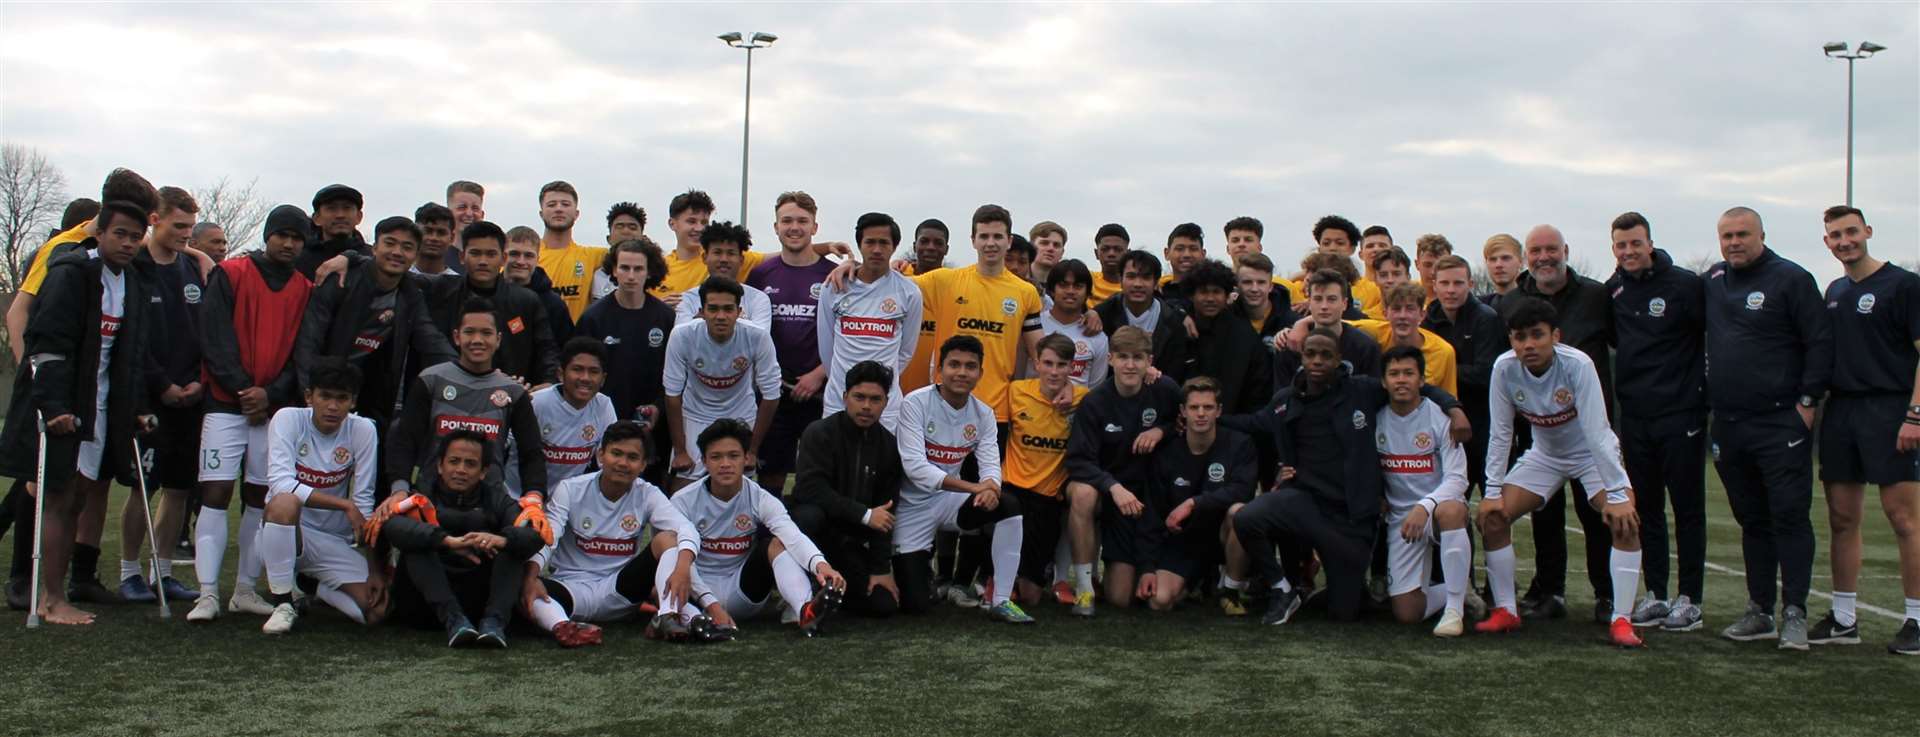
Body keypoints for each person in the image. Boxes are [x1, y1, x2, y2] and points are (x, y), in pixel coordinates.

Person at [1228, 328, 1468, 625]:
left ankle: (1446, 592)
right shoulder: (1285, 400)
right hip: (1306, 504)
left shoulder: (1362, 390)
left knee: (1345, 613)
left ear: (1339, 359)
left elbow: (1413, 386)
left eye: (1326, 355)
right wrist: (1206, 419)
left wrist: (1454, 408)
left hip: (1351, 521)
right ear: (1301, 357)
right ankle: (1283, 588)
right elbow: (1252, 423)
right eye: (1310, 354)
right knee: (1247, 517)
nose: (1317, 361)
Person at [0, 192, 157, 626]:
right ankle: (49, 599)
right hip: (66, 404)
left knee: (80, 498)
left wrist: (137, 406)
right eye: (119, 234)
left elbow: (132, 353)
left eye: (135, 236)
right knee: (58, 497)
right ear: (100, 233)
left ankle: (60, 589)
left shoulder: (132, 282)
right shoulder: (72, 274)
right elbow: (46, 344)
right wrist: (52, 406)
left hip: (104, 406)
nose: (127, 243)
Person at [1473, 298, 1645, 648]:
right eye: (1520, 337)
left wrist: (1615, 493)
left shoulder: (1578, 364)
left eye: (1537, 335)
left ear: (1556, 336)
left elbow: (1598, 431)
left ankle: (1622, 620)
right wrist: (1491, 491)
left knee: (1625, 520)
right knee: (1493, 517)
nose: (1528, 345)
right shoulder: (1504, 368)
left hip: (1591, 455)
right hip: (1545, 455)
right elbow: (1501, 433)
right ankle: (1506, 610)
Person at [1704, 206, 1832, 650]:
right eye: (1727, 236)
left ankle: (1794, 611)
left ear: (1761, 234)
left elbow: (1819, 341)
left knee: (1790, 515)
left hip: (1781, 421)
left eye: (1742, 234)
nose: (1734, 242)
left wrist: (1808, 400)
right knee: (1752, 520)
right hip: (1729, 424)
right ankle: (1759, 610)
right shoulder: (1714, 281)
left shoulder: (1791, 279)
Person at [188, 204, 314, 623]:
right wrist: (245, 388)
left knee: (260, 497)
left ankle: (244, 589)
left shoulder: (304, 288)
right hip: (226, 404)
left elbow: (302, 352)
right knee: (216, 492)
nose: (289, 244)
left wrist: (271, 393)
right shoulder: (232, 274)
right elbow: (213, 336)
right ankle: (207, 593)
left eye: (297, 238)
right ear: (268, 235)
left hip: (273, 410)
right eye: (282, 235)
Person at [1811, 205, 1920, 654]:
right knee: (1841, 518)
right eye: (1835, 235)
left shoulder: (1904, 285)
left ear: (1868, 232)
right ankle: (1843, 616)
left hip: (1891, 409)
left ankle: (1916, 619)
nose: (1844, 241)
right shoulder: (1834, 290)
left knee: (1904, 519)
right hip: (1842, 412)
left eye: (1851, 232)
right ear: (1827, 243)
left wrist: (1915, 415)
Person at [1603, 212, 1708, 633]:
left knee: (1687, 508)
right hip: (1637, 416)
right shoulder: (1614, 290)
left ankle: (1691, 599)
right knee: (1646, 508)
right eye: (1620, 245)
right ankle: (1658, 593)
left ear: (1649, 243)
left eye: (1635, 243)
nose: (1628, 251)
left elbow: (1707, 337)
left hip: (1682, 414)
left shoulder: (1685, 285)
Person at [1512, 223, 1617, 624]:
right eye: (1535, 251)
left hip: (1590, 430)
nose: (1544, 257)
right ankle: (1550, 591)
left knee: (1596, 517)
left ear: (1566, 251)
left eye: (1551, 249)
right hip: (1541, 429)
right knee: (1546, 515)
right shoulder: (1516, 300)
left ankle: (1606, 596)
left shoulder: (1596, 295)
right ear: (1526, 257)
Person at [891, 336, 1033, 623]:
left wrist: (991, 487)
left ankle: (1001, 600)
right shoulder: (914, 403)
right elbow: (916, 468)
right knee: (915, 604)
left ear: (980, 373)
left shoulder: (983, 413)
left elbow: (991, 465)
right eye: (954, 364)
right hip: (912, 507)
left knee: (1008, 506)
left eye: (970, 366)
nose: (962, 372)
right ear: (939, 369)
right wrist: (974, 487)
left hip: (949, 503)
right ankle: (923, 573)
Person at [520, 421, 702, 646]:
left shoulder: (648, 493)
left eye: (633, 457)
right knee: (522, 583)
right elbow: (549, 538)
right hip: (571, 588)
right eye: (616, 453)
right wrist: (530, 578)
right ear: (600, 455)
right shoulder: (570, 489)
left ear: (643, 465)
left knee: (668, 539)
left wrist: (683, 567)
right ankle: (563, 627)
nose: (623, 463)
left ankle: (666, 616)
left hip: (621, 594)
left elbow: (686, 528)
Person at [292, 216, 454, 459]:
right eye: (390, 243)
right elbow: (309, 339)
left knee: (377, 466)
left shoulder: (411, 292)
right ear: (375, 247)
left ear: (415, 255)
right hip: (326, 386)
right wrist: (309, 392)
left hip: (372, 391)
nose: (397, 252)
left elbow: (430, 338)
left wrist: (467, 372)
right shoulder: (342, 278)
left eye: (407, 247)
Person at [671, 419, 847, 638]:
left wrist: (822, 565)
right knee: (671, 549)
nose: (725, 463)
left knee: (778, 542)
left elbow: (792, 535)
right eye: (716, 457)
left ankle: (806, 610)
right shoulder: (682, 501)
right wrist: (711, 604)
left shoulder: (760, 497)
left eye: (733, 456)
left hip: (744, 593)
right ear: (704, 461)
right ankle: (688, 619)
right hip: (696, 595)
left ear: (747, 458)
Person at [117, 186, 205, 604]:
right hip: (150, 398)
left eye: (191, 226)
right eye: (179, 225)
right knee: (142, 485)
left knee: (179, 489)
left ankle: (163, 571)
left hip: (191, 396)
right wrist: (162, 385)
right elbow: (133, 340)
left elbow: (203, 333)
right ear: (155, 220)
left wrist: (198, 382)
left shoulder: (194, 269)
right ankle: (129, 572)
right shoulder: (133, 269)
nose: (187, 234)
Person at [376, 430, 542, 648]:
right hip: (425, 606)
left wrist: (499, 540)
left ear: (483, 472)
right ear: (439, 465)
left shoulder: (497, 499)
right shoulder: (419, 494)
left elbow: (536, 534)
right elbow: (391, 525)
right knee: (416, 544)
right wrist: (447, 542)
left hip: (477, 602)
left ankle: (495, 622)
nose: (461, 470)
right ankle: (453, 619)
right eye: (454, 461)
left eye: (470, 464)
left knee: (512, 548)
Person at [255, 357, 384, 634]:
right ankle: (283, 603)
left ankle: (315, 587)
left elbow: (364, 504)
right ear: (309, 397)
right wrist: (343, 504)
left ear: (353, 401)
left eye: (342, 398)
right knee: (284, 503)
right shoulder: (287, 419)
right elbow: (281, 484)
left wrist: (374, 569)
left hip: (332, 542)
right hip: (286, 532)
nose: (333, 406)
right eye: (325, 396)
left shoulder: (363, 430)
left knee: (376, 611)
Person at [384, 298, 545, 502]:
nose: (477, 340)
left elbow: (531, 452)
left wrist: (534, 495)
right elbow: (404, 440)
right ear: (456, 337)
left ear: (498, 339)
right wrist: (399, 488)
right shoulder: (431, 380)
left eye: (486, 333)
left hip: (490, 505)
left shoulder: (512, 392)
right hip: (429, 499)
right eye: (469, 332)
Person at [1064, 326, 1178, 610]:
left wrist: (1161, 431)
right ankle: (1085, 587)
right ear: (1110, 359)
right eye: (1123, 357)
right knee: (1081, 493)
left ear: (1150, 362)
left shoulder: (1165, 391)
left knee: (1123, 598)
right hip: (1112, 494)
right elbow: (1078, 461)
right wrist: (1113, 487)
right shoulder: (1095, 402)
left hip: (1152, 497)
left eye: (1138, 357)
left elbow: (1186, 423)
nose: (1130, 365)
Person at [905, 205, 1045, 427]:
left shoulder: (1025, 292)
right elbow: (889, 285)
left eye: (998, 236)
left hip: (994, 411)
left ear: (1008, 241)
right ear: (973, 240)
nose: (991, 243)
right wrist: (853, 268)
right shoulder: (944, 281)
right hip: (944, 407)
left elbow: (1039, 351)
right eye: (984, 236)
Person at [789, 361, 906, 619]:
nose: (866, 406)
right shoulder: (819, 433)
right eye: (859, 397)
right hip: (814, 538)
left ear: (886, 402)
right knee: (808, 515)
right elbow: (810, 489)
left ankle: (833, 594)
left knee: (883, 605)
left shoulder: (888, 446)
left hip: (849, 544)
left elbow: (885, 514)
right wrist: (864, 514)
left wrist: (880, 569)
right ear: (845, 397)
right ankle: (798, 592)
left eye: (875, 399)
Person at [1374, 346, 1473, 636]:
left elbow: (1458, 479)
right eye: (1394, 374)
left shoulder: (1441, 418)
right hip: (1401, 520)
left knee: (1453, 509)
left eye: (1408, 373)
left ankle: (1455, 610)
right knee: (1407, 614)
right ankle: (1457, 590)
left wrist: (1425, 505)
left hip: (1435, 512)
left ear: (1421, 379)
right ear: (1383, 382)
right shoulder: (1376, 419)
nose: (1401, 380)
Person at [748, 191, 842, 494]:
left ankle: (813, 539)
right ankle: (768, 539)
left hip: (820, 392)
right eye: (786, 220)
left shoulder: (833, 275)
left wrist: (819, 374)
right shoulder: (762, 274)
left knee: (818, 477)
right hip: (773, 393)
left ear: (815, 227)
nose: (794, 227)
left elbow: (846, 333)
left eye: (802, 221)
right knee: (771, 477)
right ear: (775, 227)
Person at [1142, 378, 1255, 614]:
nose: (1201, 414)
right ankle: (1195, 583)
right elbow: (1152, 513)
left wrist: (1194, 502)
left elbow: (1243, 490)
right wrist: (1148, 567)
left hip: (1223, 538)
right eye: (1194, 408)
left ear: (1219, 411)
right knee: (1159, 601)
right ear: (1183, 411)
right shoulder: (1167, 453)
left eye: (1208, 407)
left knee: (1240, 513)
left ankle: (1231, 592)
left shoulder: (1240, 444)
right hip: (1184, 543)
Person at [575, 240, 676, 489]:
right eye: (625, 268)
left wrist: (658, 407)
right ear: (613, 270)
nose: (631, 276)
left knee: (652, 494)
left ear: (650, 271)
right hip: (604, 425)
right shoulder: (594, 317)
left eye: (638, 269)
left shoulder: (665, 317)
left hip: (653, 427)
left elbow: (674, 374)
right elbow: (579, 374)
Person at [662, 277, 781, 489]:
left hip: (741, 415)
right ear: (701, 311)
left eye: (728, 309)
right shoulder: (682, 336)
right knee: (682, 488)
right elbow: (672, 395)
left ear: (739, 311)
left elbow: (771, 396)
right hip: (695, 414)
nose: (721, 316)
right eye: (713, 309)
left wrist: (752, 451)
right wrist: (680, 451)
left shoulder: (758, 336)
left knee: (735, 486)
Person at [1003, 335, 1090, 609]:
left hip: (1047, 497)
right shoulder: (1015, 391)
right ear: (1036, 363)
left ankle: (1029, 578)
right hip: (1012, 490)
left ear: (1071, 367)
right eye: (1048, 363)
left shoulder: (1083, 399)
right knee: (997, 507)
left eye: (1061, 365)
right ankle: (993, 574)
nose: (1054, 371)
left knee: (1031, 598)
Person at [422, 221, 559, 388]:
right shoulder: (441, 292)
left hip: (509, 395)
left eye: (491, 254)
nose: (483, 261)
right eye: (475, 253)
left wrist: (548, 382)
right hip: (450, 391)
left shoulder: (526, 301)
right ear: (462, 257)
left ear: (503, 258)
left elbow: (546, 349)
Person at [818, 213, 923, 429]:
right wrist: (842, 382)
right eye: (870, 242)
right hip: (839, 400)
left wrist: (881, 382)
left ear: (894, 247)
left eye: (883, 243)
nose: (876, 249)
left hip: (887, 405)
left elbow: (905, 352)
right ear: (859, 245)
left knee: (882, 463)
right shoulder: (834, 286)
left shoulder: (909, 292)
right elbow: (827, 346)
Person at [1421, 255, 1507, 501]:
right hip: (1443, 423)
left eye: (1458, 283)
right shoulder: (1429, 320)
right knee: (1450, 501)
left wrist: (1444, 370)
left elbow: (1486, 373)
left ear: (1470, 284)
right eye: (1444, 283)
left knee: (1494, 502)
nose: (1451, 290)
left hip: (1484, 423)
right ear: (1434, 285)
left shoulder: (1486, 318)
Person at [509, 338, 617, 496]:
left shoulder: (604, 406)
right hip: (519, 497)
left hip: (566, 504)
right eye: (578, 369)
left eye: (594, 372)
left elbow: (608, 462)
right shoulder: (537, 403)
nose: (585, 378)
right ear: (561, 374)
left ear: (603, 379)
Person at [1094, 250, 1192, 384]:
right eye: (1131, 276)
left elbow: (1176, 372)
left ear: (1156, 282)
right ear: (1120, 279)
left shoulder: (1173, 321)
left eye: (1146, 277)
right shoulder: (1103, 316)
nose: (1138, 284)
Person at [1187, 259, 1270, 414]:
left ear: (1227, 295)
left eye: (1217, 292)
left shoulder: (1245, 336)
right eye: (1204, 292)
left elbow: (1258, 390)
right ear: (1192, 295)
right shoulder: (1180, 329)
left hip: (1234, 427)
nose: (1210, 298)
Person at [1345, 283, 1458, 395]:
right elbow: (1338, 324)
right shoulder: (1375, 331)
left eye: (1410, 309)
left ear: (1422, 315)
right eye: (1396, 309)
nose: (1402, 316)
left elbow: (1449, 400)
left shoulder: (1443, 352)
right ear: (1385, 314)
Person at [1274, 269, 1382, 383]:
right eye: (1318, 299)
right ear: (1309, 303)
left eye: (1331, 299)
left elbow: (1372, 394)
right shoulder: (1291, 345)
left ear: (1344, 304)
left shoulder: (1365, 348)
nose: (1324, 306)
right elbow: (1282, 396)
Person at [671, 221, 772, 327]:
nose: (724, 259)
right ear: (704, 258)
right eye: (717, 252)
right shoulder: (687, 299)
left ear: (741, 260)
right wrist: (738, 321)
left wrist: (702, 321)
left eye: (731, 253)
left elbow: (760, 337)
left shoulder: (758, 299)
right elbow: (684, 336)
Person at [533, 181, 607, 321]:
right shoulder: (526, 258)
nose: (559, 209)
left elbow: (630, 252)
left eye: (565, 204)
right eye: (551, 204)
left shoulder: (593, 256)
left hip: (575, 340)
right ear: (541, 214)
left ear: (576, 213)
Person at [1033, 259, 1108, 386]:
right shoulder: (1033, 325)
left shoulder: (1097, 335)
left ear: (1087, 293)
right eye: (1063, 285)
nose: (1070, 291)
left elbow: (1095, 388)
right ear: (1052, 290)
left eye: (1078, 286)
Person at [897, 219, 951, 396]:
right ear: (915, 245)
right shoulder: (895, 278)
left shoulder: (954, 285)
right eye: (924, 241)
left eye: (938, 243)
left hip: (937, 394)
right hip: (895, 391)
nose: (930, 247)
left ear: (946, 249)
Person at [503, 226, 574, 345]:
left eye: (528, 256)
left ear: (537, 260)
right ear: (503, 256)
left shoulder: (554, 304)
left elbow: (566, 350)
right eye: (514, 254)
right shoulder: (488, 294)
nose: (521, 261)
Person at [1309, 215, 1384, 319]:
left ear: (1352, 249)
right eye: (1326, 243)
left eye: (1340, 243)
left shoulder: (1372, 291)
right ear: (1319, 248)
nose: (1332, 248)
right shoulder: (1302, 287)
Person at [298, 184, 369, 279]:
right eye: (331, 208)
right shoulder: (299, 260)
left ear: (359, 217)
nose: (340, 215)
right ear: (317, 218)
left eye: (347, 208)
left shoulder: (373, 260)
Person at [1233, 252, 1299, 350]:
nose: (1254, 289)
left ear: (1270, 287)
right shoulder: (1225, 321)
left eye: (1261, 282)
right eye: (1247, 282)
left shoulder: (1293, 323)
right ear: (1237, 286)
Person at [596, 202, 646, 301]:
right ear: (609, 239)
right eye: (620, 226)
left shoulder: (654, 274)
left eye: (632, 227)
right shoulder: (596, 276)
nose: (626, 231)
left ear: (642, 238)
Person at [1158, 223, 1206, 299]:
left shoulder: (1216, 295)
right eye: (1179, 249)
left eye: (1193, 249)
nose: (1187, 255)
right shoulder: (1156, 296)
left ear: (1203, 254)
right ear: (1167, 253)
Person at [412, 203, 459, 276]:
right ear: (415, 233)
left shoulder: (459, 284)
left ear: (452, 238)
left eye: (441, 233)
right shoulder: (397, 278)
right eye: (427, 231)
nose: (434, 238)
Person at [1089, 223, 1129, 306]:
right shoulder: (1087, 280)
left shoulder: (1136, 286)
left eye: (1118, 249)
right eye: (1105, 249)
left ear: (1128, 254)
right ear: (1096, 253)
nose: (1111, 254)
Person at [1481, 234, 1523, 306]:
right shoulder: (1477, 308)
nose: (1498, 265)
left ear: (1521, 261)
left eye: (1505, 258)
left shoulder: (1537, 306)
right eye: (1492, 259)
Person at [1414, 233, 1452, 303]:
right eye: (1427, 265)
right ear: (1417, 264)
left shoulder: (1461, 301)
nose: (1433, 272)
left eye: (1440, 266)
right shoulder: (1405, 297)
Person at [1029, 221, 1067, 287]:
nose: (1051, 248)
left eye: (1056, 245)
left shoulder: (1067, 288)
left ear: (1062, 252)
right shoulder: (1016, 279)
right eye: (1044, 243)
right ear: (1031, 246)